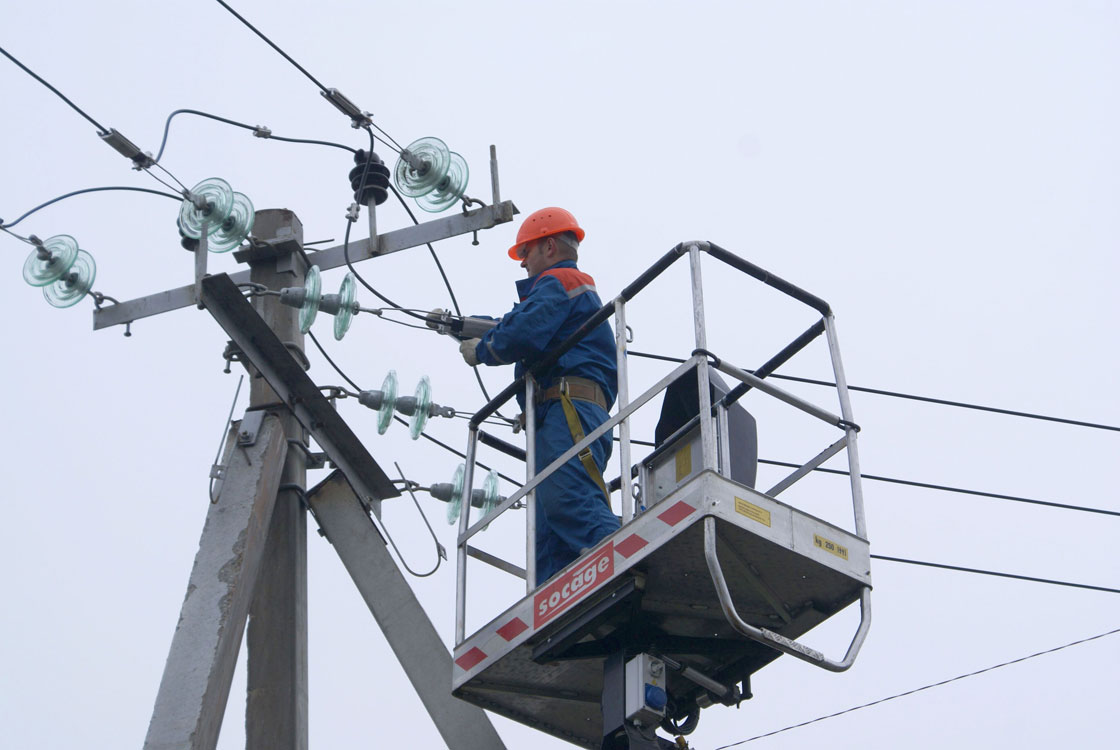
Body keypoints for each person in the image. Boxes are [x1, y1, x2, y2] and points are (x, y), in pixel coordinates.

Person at [454, 207, 620, 584]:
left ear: (548, 245)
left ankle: (623, 550)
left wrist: (483, 351)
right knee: (549, 520)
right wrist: (459, 327)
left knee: (567, 498)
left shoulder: (559, 281)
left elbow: (521, 332)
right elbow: (519, 325)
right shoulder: (563, 290)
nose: (523, 263)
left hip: (568, 407)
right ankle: (559, 592)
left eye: (525, 252)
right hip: (557, 412)